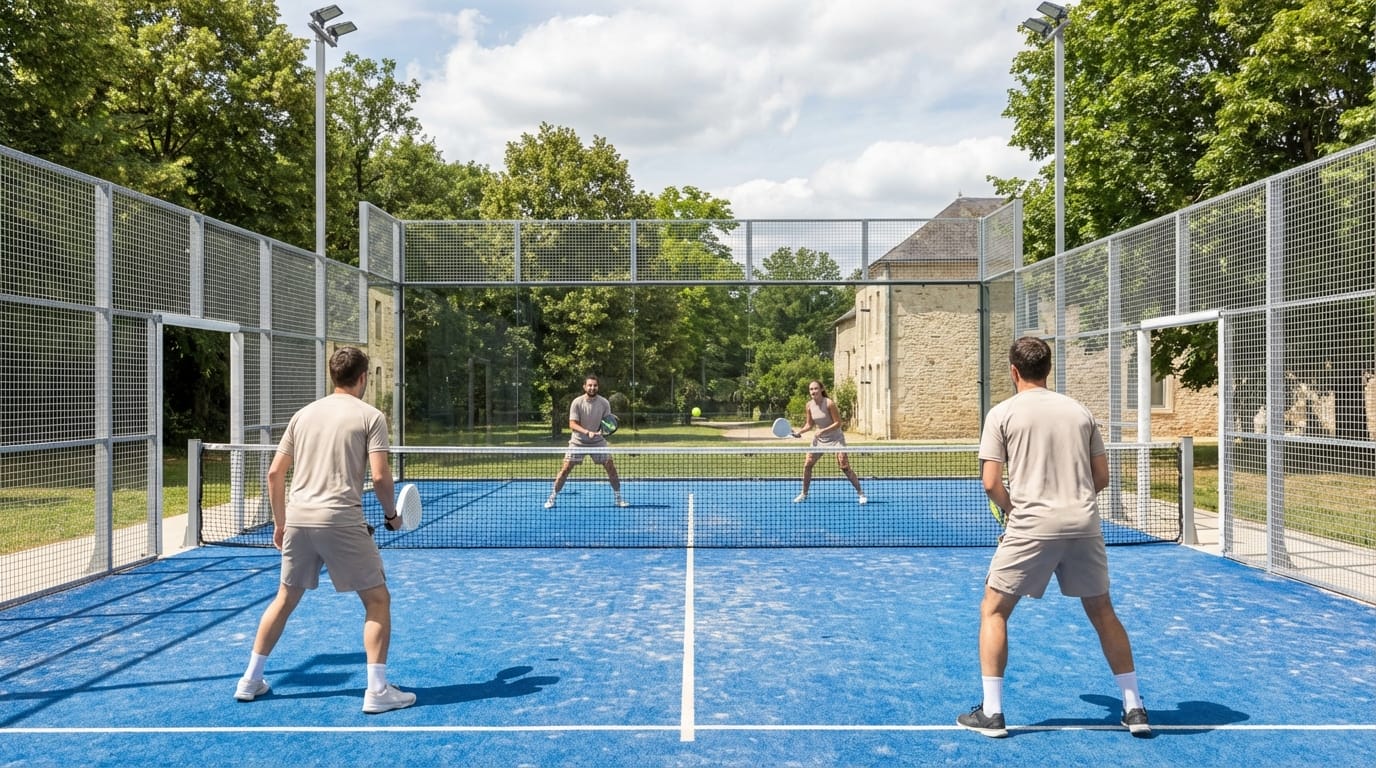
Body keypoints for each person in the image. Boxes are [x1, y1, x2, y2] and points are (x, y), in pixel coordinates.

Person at [957, 336, 1149, 739]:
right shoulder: (1081, 412)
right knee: (1102, 612)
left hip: (1029, 526)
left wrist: (1014, 512)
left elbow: (991, 482)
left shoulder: (1002, 413)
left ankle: (992, 714)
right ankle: (1134, 707)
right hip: (1084, 525)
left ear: (1013, 371)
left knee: (993, 609)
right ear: (1048, 370)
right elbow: (1102, 478)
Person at [233, 346, 416, 715]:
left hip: (299, 520)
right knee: (377, 600)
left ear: (332, 376)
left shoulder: (302, 415)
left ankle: (250, 680)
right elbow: (380, 475)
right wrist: (391, 515)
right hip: (341, 520)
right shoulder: (371, 416)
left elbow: (274, 474)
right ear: (363, 378)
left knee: (284, 599)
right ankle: (377, 691)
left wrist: (282, 523)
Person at [545, 374, 628, 509]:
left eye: (595, 385)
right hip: (578, 442)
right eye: (589, 385)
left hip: (598, 442)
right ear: (584, 386)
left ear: (598, 387)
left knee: (611, 468)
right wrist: (586, 432)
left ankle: (619, 498)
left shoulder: (604, 402)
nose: (592, 388)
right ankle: (552, 497)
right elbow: (572, 424)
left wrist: (603, 431)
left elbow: (607, 423)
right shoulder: (577, 402)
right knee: (565, 469)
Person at [791, 379, 866, 505]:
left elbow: (838, 423)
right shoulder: (809, 405)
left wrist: (823, 430)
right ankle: (804, 493)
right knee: (808, 464)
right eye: (811, 389)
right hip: (819, 440)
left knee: (844, 466)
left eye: (815, 388)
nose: (813, 391)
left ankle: (861, 493)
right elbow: (809, 424)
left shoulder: (829, 403)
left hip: (836, 438)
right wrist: (800, 432)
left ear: (821, 390)